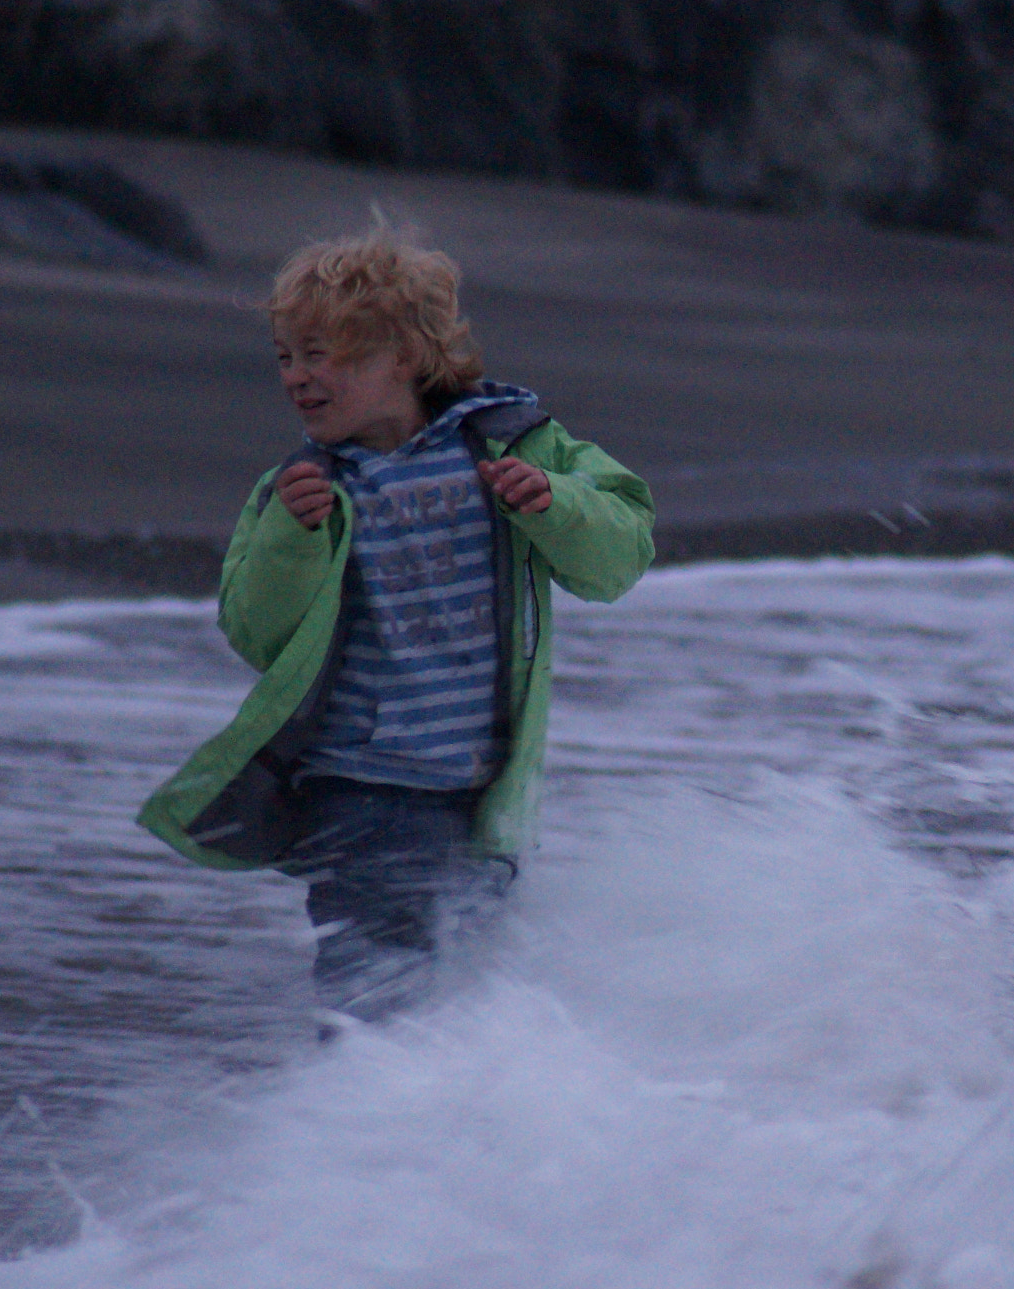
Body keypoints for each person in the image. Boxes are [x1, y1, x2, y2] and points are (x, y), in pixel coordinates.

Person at [138, 228, 654, 1024]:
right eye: (286, 356)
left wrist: (555, 501)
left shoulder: (511, 444)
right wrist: (291, 537)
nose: (298, 378)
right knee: (378, 1006)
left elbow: (619, 558)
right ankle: (357, 1132)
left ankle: (404, 1137)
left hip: (483, 798)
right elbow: (254, 631)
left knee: (465, 1006)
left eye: (323, 353)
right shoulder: (304, 486)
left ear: (407, 357)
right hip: (362, 794)